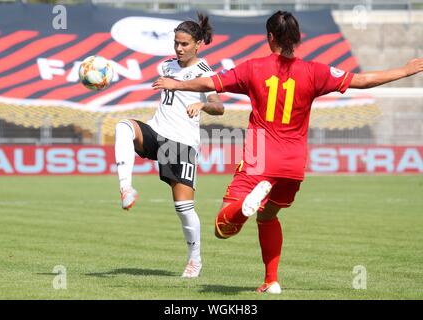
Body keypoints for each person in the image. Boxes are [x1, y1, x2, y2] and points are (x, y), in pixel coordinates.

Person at [152, 11, 423, 293]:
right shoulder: (315, 71)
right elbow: (363, 80)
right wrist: (404, 71)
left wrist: (178, 84)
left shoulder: (252, 68)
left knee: (222, 228)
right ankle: (271, 281)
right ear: (297, 38)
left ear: (270, 37)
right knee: (268, 217)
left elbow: (210, 83)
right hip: (293, 163)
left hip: (260, 156)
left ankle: (244, 209)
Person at [114, 13, 224, 278]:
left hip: (182, 145)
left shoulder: (206, 72)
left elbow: (219, 106)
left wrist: (202, 104)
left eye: (185, 44)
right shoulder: (166, 66)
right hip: (157, 131)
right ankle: (126, 188)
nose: (179, 48)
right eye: (176, 42)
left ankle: (194, 260)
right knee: (123, 127)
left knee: (184, 210)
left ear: (198, 44)